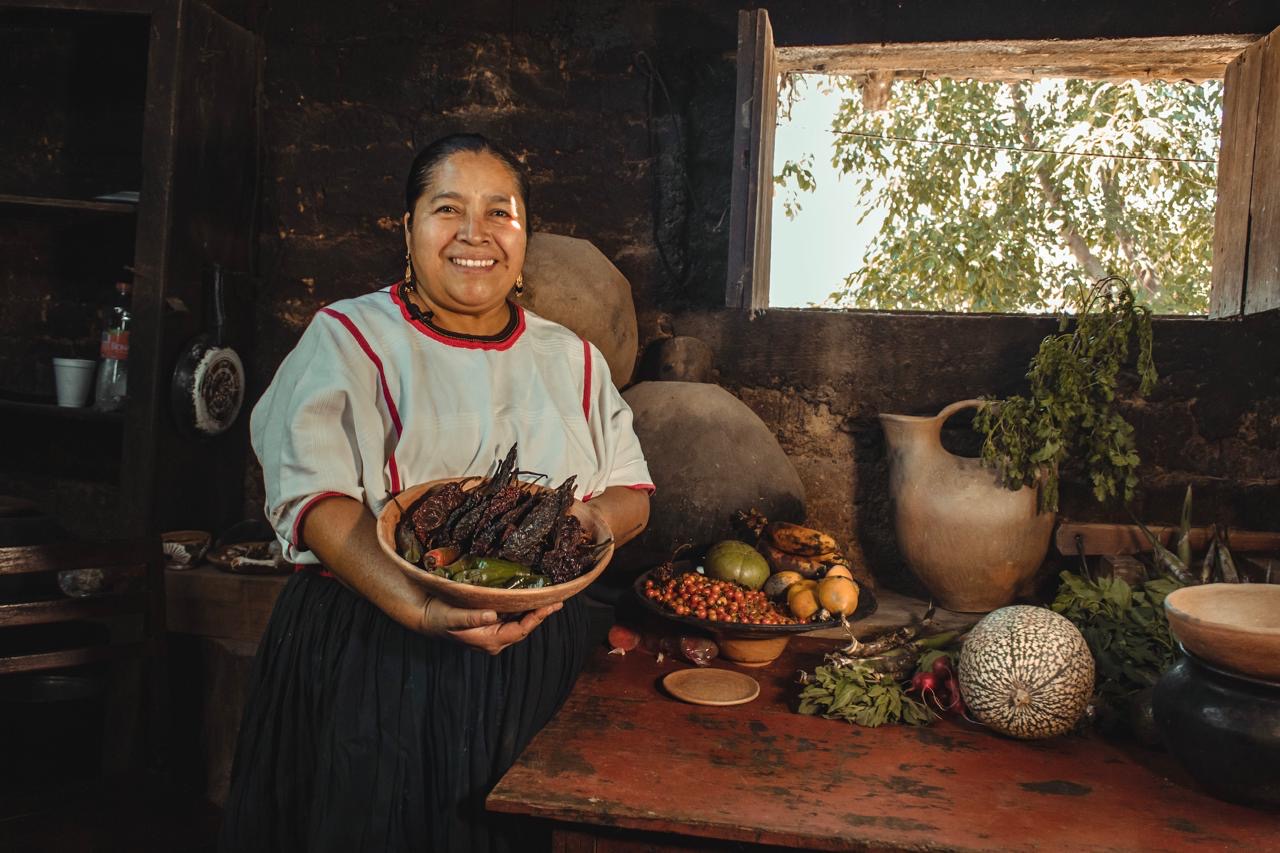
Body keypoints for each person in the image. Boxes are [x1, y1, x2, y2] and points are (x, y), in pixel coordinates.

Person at [218, 133, 653, 853]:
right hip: (375, 651)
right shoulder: (349, 337)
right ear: (408, 229)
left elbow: (631, 492)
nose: (475, 234)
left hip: (535, 662)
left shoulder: (572, 358)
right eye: (448, 209)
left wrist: (576, 523)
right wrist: (419, 607)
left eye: (499, 213)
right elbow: (318, 502)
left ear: (524, 234)